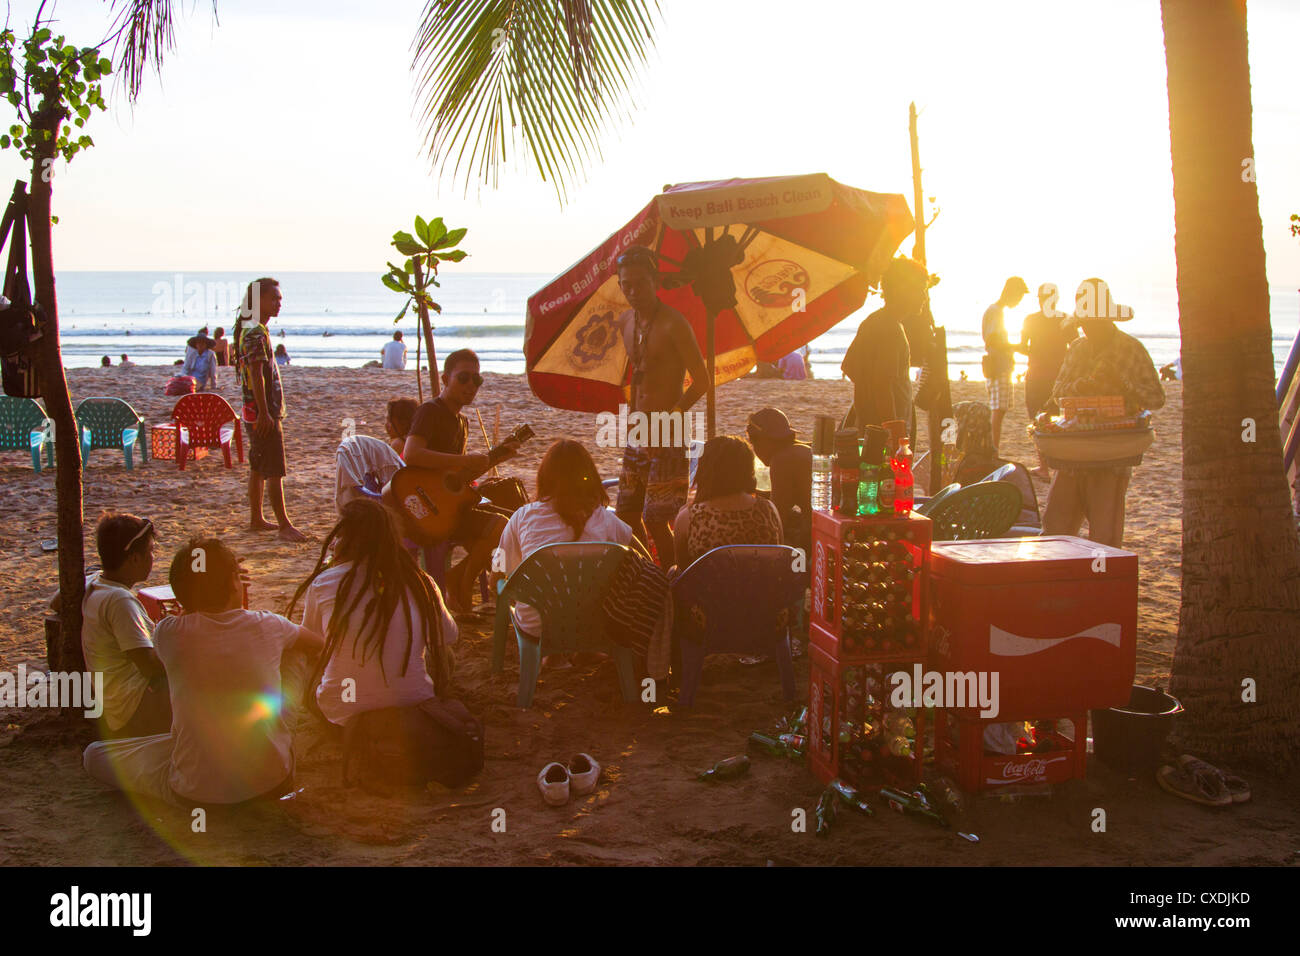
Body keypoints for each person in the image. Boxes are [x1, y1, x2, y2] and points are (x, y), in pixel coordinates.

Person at [82, 538, 325, 806]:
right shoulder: (269, 624)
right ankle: (275, 737)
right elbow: (316, 644)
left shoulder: (168, 633)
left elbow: (196, 631)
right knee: (296, 651)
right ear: (235, 582)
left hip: (195, 792)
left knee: (94, 755)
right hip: (273, 780)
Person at [289, 499, 455, 727]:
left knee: (306, 658)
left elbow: (313, 642)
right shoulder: (421, 582)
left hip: (344, 714)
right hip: (414, 708)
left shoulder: (324, 583)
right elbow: (449, 636)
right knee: (445, 652)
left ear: (343, 540)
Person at [1041, 278, 1166, 548]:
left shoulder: (1130, 349)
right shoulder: (1077, 348)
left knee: (1105, 539)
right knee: (1055, 530)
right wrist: (1080, 386)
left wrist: (1122, 384)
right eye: (1083, 322)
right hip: (1071, 455)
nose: (1086, 327)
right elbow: (1056, 394)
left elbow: (1156, 398)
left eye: (1091, 322)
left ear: (1107, 319)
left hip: (1111, 456)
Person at [614, 246, 710, 566]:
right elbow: (635, 376)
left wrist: (674, 416)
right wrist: (630, 416)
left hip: (669, 431)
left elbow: (702, 381)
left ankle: (672, 575)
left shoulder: (674, 323)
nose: (633, 291)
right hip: (638, 430)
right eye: (626, 284)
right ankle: (649, 569)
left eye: (640, 283)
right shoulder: (626, 321)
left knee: (657, 518)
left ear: (655, 281)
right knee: (627, 514)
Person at [403, 348, 518, 614]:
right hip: (425, 509)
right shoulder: (430, 411)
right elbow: (411, 454)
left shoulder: (462, 421)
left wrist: (495, 459)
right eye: (463, 378)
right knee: (501, 526)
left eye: (477, 380)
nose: (471, 386)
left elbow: (455, 479)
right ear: (445, 379)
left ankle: (458, 580)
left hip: (447, 504)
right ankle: (460, 582)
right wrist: (463, 461)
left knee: (512, 524)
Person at [498, 439, 637, 642]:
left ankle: (552, 654)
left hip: (538, 626)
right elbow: (643, 559)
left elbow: (500, 573)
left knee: (512, 589)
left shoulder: (523, 517)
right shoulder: (605, 519)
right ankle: (582, 651)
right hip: (595, 623)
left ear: (544, 477)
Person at [51, 513, 171, 739]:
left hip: (116, 702)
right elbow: (150, 667)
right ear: (134, 559)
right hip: (131, 708)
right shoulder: (120, 601)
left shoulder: (96, 580)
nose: (153, 557)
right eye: (150, 551)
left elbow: (56, 601)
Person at [235, 277, 308, 542]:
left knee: (258, 465)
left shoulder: (252, 329)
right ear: (259, 301)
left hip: (253, 410)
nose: (279, 303)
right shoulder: (255, 331)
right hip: (262, 412)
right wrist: (266, 412)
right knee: (274, 468)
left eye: (280, 299)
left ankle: (256, 518)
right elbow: (257, 375)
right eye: (274, 298)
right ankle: (284, 525)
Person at [842, 256, 928, 430]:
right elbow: (882, 383)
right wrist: (891, 426)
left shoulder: (873, 321)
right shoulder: (891, 330)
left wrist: (866, 399)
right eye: (920, 290)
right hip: (885, 430)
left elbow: (849, 367)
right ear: (903, 290)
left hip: (868, 423)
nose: (924, 297)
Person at [673, 436, 783, 570]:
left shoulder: (689, 518)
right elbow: (779, 559)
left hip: (709, 590)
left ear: (705, 470)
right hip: (761, 590)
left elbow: (684, 570)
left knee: (673, 571)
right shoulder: (769, 510)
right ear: (748, 470)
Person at [1018, 283, 1078, 476]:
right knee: (1058, 417)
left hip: (1036, 374)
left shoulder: (1030, 320)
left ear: (1040, 299)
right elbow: (1076, 346)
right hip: (1059, 376)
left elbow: (1022, 347)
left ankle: (1044, 466)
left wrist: (1005, 347)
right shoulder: (1064, 320)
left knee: (1037, 417)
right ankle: (1059, 464)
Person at [746, 408, 812, 555]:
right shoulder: (802, 449)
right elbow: (788, 495)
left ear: (763, 440)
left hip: (815, 535)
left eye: (753, 443)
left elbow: (777, 517)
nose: (754, 449)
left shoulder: (782, 459)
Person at [982, 276, 1030, 454]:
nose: (1018, 302)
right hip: (998, 365)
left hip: (1001, 365)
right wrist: (1017, 347)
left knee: (999, 409)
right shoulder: (996, 312)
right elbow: (994, 341)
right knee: (998, 410)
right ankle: (993, 449)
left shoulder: (997, 311)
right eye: (1019, 297)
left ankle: (994, 448)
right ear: (1012, 292)